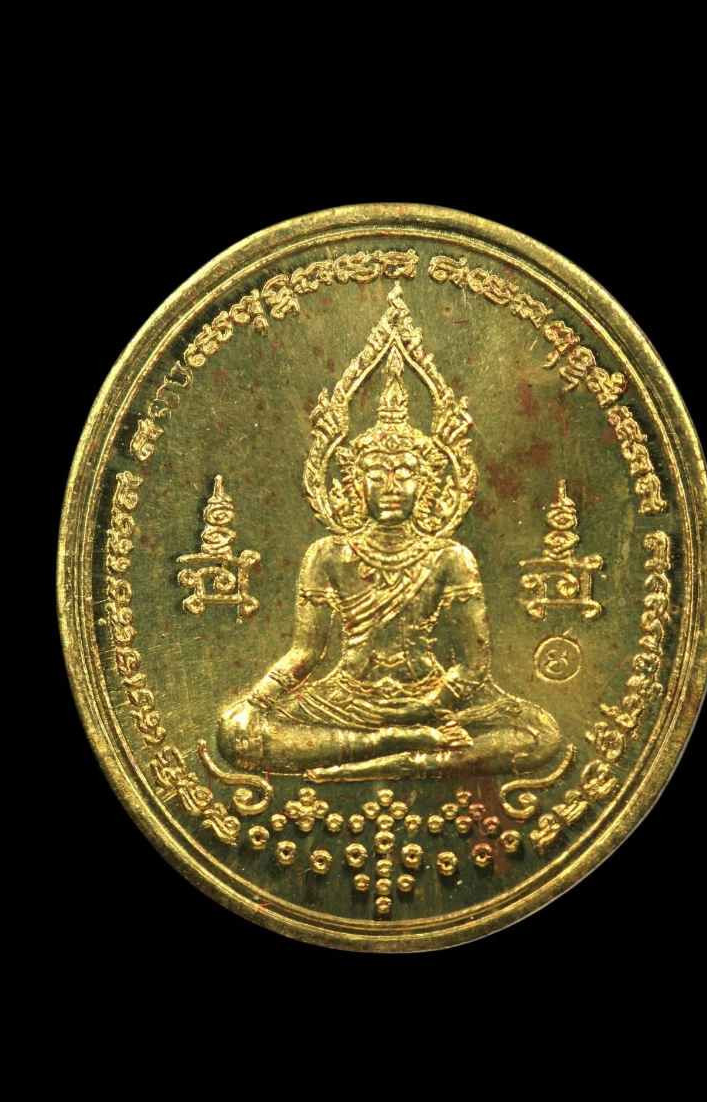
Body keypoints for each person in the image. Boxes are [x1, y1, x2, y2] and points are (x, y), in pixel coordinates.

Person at [217, 301, 561, 783]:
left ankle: (400, 757)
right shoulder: (328, 554)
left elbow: (472, 665)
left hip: (431, 696)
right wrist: (257, 702)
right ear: (353, 483)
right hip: (347, 698)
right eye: (377, 474)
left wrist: (427, 704)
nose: (391, 486)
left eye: (405, 473)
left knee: (541, 734)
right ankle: (393, 746)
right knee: (236, 733)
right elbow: (306, 653)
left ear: (429, 482)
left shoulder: (451, 557)